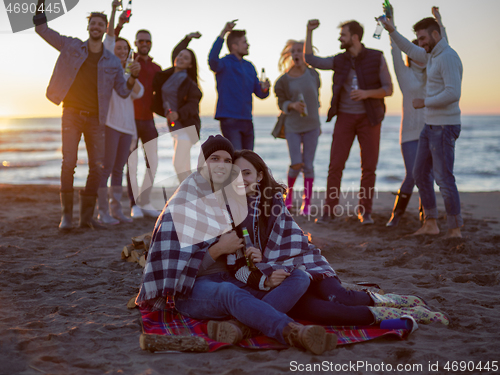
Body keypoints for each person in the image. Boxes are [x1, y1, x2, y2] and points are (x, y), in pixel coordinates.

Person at [136, 135, 337, 355]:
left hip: (233, 279)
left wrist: (255, 262)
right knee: (228, 292)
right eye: (214, 158)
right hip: (193, 290)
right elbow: (177, 273)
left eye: (227, 161)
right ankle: (293, 332)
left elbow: (240, 257)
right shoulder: (183, 202)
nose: (221, 165)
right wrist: (218, 250)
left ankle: (238, 328)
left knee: (299, 277)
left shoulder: (228, 198)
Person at [232, 149, 449, 327]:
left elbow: (289, 239)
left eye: (247, 173)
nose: (241, 179)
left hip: (304, 263)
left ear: (259, 176)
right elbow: (238, 262)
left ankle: (396, 301)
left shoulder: (273, 202)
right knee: (324, 312)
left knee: (340, 298)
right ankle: (395, 316)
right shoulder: (230, 212)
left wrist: (267, 255)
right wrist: (257, 262)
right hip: (277, 280)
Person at [33, 0, 140, 230]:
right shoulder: (71, 46)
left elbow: (123, 91)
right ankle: (67, 218)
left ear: (104, 29)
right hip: (71, 113)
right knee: (68, 162)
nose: (97, 27)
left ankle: (86, 218)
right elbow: (42, 29)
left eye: (101, 24)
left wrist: (132, 76)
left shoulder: (112, 60)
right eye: (93, 23)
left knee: (97, 167)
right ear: (88, 26)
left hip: (95, 119)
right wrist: (40, 6)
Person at [381, 14, 464, 238]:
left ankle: (454, 229)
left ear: (436, 35)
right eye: (419, 39)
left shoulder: (446, 57)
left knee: (444, 178)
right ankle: (430, 223)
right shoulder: (432, 55)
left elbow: (453, 93)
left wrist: (424, 102)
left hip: (444, 126)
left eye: (423, 38)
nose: (420, 43)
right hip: (430, 126)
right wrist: (391, 30)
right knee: (418, 174)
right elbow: (406, 48)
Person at [305, 19, 393, 225]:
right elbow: (310, 59)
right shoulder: (339, 59)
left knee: (369, 167)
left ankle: (366, 212)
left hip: (369, 119)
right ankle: (329, 211)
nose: (339, 38)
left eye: (343, 35)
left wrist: (365, 94)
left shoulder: (376, 57)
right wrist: (309, 31)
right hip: (344, 117)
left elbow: (388, 89)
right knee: (335, 165)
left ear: (354, 37)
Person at [386, 6, 447, 227]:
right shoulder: (403, 74)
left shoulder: (434, 70)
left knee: (427, 177)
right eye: (413, 50)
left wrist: (440, 23)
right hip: (410, 134)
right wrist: (391, 23)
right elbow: (395, 48)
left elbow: (443, 48)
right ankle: (397, 214)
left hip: (432, 130)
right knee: (413, 174)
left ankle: (426, 216)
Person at [97, 0, 144, 225]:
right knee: (106, 168)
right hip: (110, 124)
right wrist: (115, 11)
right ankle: (102, 211)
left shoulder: (128, 76)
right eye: (119, 48)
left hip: (127, 128)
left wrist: (133, 74)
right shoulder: (107, 67)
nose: (122, 51)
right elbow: (109, 39)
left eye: (126, 49)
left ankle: (117, 210)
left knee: (119, 168)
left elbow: (139, 92)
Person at [115, 26, 162, 219]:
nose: (144, 44)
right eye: (140, 41)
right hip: (130, 121)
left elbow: (163, 94)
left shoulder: (156, 68)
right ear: (135, 43)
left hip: (149, 121)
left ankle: (145, 201)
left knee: (153, 162)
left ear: (151, 44)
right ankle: (134, 205)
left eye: (147, 41)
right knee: (131, 164)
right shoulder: (127, 64)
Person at [274, 40, 321, 216]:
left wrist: (319, 124)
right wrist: (292, 105)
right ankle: (289, 198)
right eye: (293, 51)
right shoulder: (283, 80)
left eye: (299, 50)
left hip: (312, 126)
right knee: (296, 164)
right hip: (292, 126)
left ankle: (306, 203)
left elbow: (317, 100)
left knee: (308, 165)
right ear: (289, 54)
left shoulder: (313, 74)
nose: (296, 53)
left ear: (305, 53)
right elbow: (280, 103)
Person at [208, 21, 270, 150]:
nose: (248, 45)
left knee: (248, 160)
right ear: (234, 46)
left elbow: (260, 93)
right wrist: (223, 33)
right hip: (229, 119)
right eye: (244, 42)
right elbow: (212, 60)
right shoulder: (224, 63)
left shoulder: (250, 66)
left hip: (247, 119)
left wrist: (265, 88)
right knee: (236, 160)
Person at [151, 33, 203, 184]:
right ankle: (191, 197)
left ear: (190, 65)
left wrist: (178, 114)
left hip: (187, 127)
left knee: (178, 164)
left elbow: (193, 106)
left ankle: (189, 193)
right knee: (184, 166)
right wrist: (188, 38)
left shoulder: (190, 84)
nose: (180, 58)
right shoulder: (169, 75)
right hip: (175, 127)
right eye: (180, 56)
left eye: (186, 58)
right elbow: (177, 51)